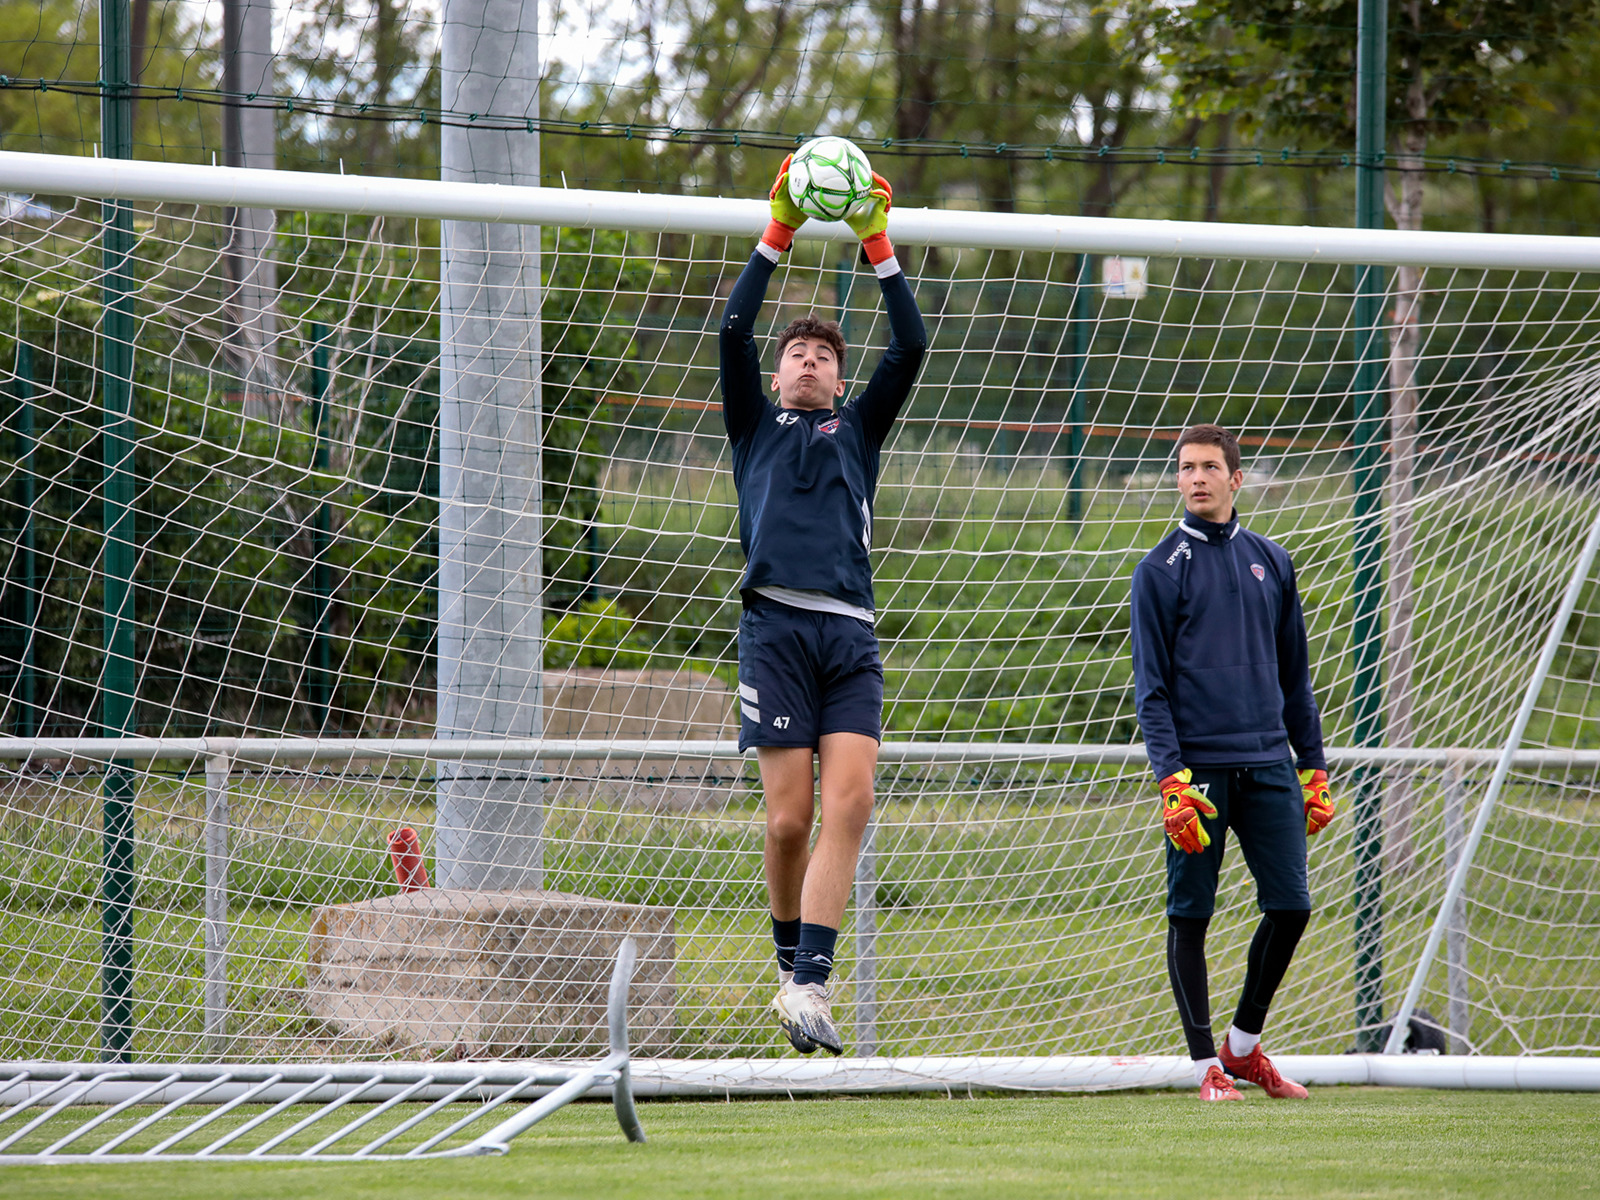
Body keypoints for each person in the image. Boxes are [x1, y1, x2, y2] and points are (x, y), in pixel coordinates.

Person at [719, 154, 927, 1055]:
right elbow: (732, 327)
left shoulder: (860, 431)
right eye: (796, 353)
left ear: (840, 382)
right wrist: (779, 231)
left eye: (823, 356)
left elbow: (911, 345)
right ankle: (784, 961)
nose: (808, 361)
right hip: (773, 627)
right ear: (778, 378)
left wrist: (876, 242)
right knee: (789, 819)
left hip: (848, 635)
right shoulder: (754, 425)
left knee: (851, 805)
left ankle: (810, 986)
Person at [1128, 423, 1338, 1100]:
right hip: (1198, 777)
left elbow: (1296, 677)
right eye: (1186, 467)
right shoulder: (1157, 570)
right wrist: (1171, 782)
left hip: (1270, 764)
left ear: (1235, 479)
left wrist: (1314, 766)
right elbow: (1151, 691)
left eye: (1209, 467)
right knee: (1191, 916)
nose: (1195, 478)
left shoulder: (1272, 560)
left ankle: (1243, 1048)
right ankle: (1204, 1070)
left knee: (1293, 906)